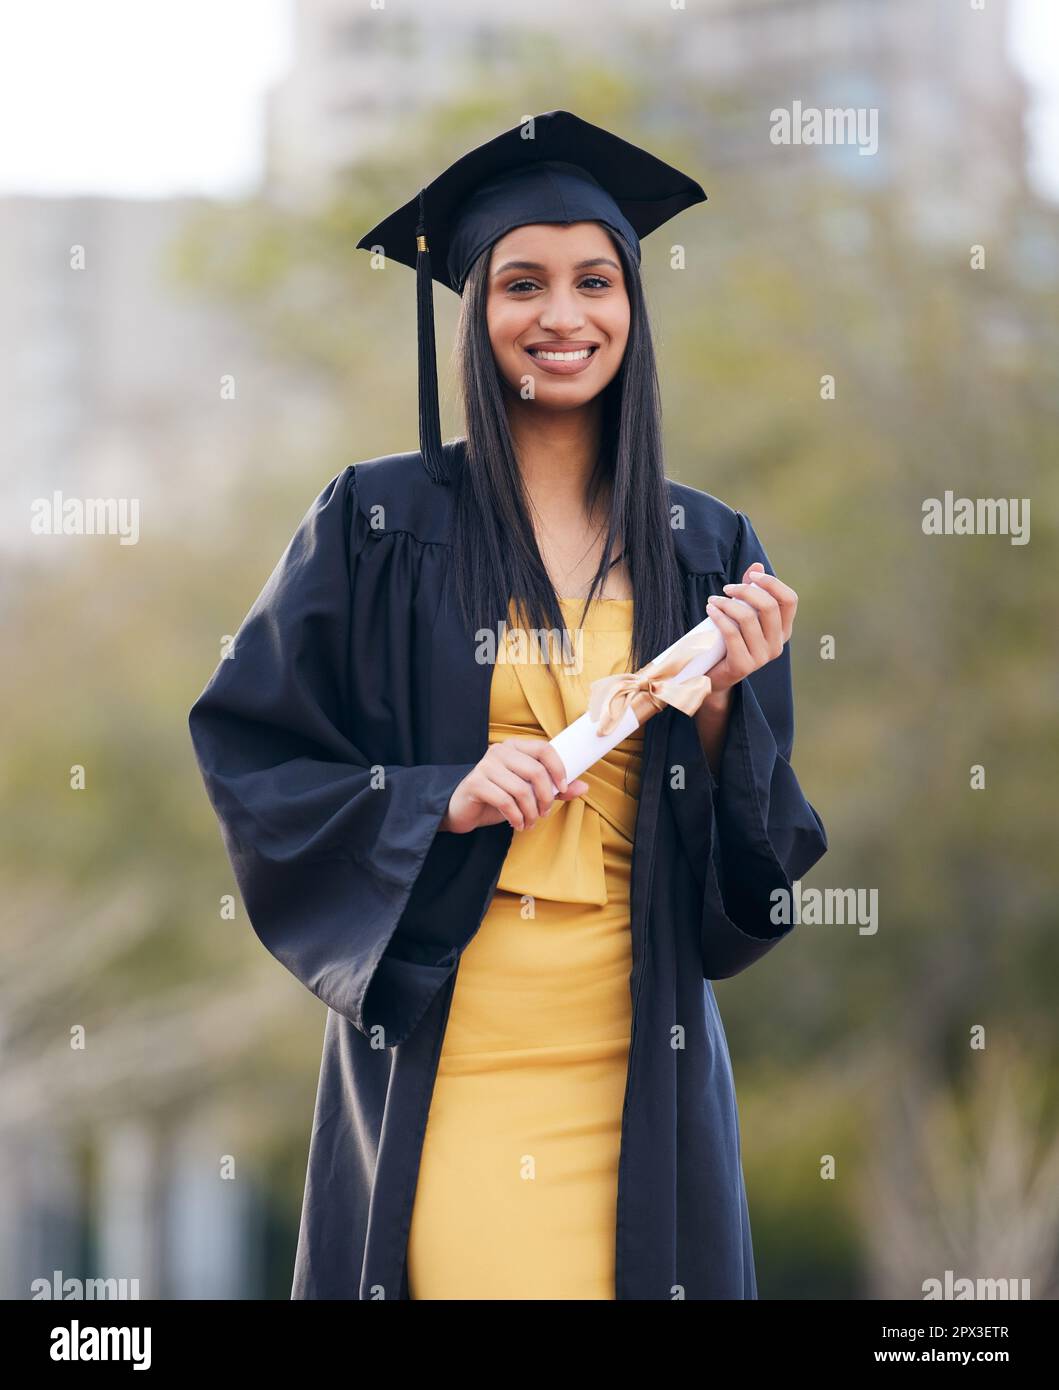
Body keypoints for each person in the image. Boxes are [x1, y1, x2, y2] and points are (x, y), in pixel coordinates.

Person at [188, 110, 828, 1301]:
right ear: (475, 312)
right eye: (522, 283)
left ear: (634, 310)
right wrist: (437, 797)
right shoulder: (376, 525)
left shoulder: (704, 545)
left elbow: (755, 871)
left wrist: (729, 708)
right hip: (452, 1045)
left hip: (645, 1054)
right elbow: (250, 753)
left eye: (596, 281)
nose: (563, 316)